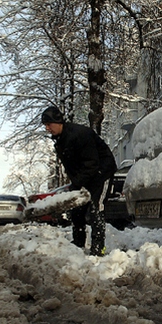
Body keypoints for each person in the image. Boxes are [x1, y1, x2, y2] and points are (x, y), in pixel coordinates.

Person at [41, 106, 117, 256]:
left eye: (49, 124)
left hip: (102, 173)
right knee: (76, 209)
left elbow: (92, 163)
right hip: (86, 175)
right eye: (45, 126)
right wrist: (75, 185)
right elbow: (72, 167)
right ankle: (78, 242)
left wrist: (78, 182)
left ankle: (98, 247)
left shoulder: (80, 134)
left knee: (96, 208)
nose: (47, 128)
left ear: (58, 121)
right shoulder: (60, 141)